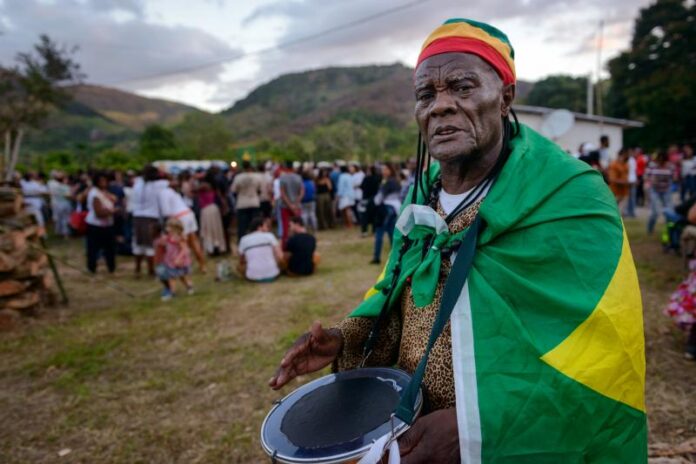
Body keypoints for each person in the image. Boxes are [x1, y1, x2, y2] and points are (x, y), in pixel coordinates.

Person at [269, 18, 646, 463]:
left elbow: (603, 355)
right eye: (426, 95)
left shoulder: (571, 195)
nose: (440, 106)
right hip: (410, 423)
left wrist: (475, 427)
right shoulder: (422, 190)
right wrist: (345, 338)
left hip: (506, 439)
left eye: (462, 87)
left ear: (506, 96)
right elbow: (400, 296)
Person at [158, 180, 206, 273]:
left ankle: (184, 265)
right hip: (188, 213)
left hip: (179, 217)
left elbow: (166, 212)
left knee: (181, 243)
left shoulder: (162, 193)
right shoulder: (171, 191)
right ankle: (202, 264)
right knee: (194, 240)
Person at [131, 165, 168, 276]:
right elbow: (170, 181)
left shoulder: (137, 183)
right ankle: (151, 270)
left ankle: (137, 269)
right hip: (151, 217)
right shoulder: (158, 185)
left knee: (139, 244)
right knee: (150, 245)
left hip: (137, 216)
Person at [154, 218, 193, 301]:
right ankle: (173, 292)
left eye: (168, 226)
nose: (166, 228)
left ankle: (189, 286)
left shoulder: (179, 238)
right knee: (171, 277)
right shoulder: (168, 237)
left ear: (174, 228)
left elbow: (184, 249)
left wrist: (179, 258)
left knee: (182, 276)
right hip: (170, 261)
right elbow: (163, 243)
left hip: (178, 261)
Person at [85, 172, 116, 274]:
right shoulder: (95, 193)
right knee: (93, 248)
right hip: (96, 224)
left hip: (107, 224)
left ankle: (111, 267)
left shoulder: (104, 192)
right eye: (102, 181)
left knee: (110, 248)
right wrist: (113, 211)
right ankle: (92, 268)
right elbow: (98, 213)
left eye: (105, 181)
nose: (104, 183)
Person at [370, 163, 401, 265]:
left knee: (380, 232)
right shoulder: (395, 181)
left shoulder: (388, 182)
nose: (383, 171)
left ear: (390, 170)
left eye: (385, 169)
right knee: (391, 233)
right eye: (382, 169)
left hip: (385, 210)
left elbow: (378, 199)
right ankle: (396, 257)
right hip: (394, 210)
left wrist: (375, 201)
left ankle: (377, 257)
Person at [238, 216, 282, 282]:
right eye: (266, 226)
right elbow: (280, 255)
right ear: (259, 227)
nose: (268, 228)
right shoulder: (269, 236)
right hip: (272, 274)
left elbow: (241, 259)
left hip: (252, 277)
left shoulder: (244, 239)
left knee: (239, 266)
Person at [231, 161, 262, 242]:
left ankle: (242, 242)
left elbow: (234, 190)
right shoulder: (257, 176)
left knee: (242, 226)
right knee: (255, 225)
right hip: (254, 202)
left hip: (242, 203)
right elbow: (259, 190)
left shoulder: (238, 177)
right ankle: (256, 241)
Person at [647, 151, 675, 234]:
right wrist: (651, 181)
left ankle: (670, 230)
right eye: (659, 160)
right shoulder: (652, 166)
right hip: (654, 191)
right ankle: (650, 229)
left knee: (669, 211)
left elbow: (675, 178)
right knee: (655, 212)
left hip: (666, 191)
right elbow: (647, 177)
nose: (661, 162)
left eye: (663, 160)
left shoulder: (670, 167)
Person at [198, 181, 228, 254]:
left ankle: (211, 248)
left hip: (207, 211)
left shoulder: (201, 193)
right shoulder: (213, 193)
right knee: (216, 229)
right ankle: (216, 246)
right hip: (213, 210)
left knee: (209, 229)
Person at [279, 162, 304, 248]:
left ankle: (285, 246)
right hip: (297, 206)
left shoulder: (282, 178)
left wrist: (290, 205)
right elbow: (301, 192)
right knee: (298, 225)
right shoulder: (298, 177)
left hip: (285, 206)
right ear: (293, 168)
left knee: (286, 227)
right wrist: (296, 203)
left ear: (285, 168)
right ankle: (300, 244)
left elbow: (283, 194)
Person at [47, 171, 72, 238]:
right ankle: (65, 233)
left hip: (58, 204)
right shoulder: (66, 187)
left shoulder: (56, 187)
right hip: (65, 204)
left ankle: (59, 232)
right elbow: (68, 196)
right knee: (65, 218)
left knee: (59, 218)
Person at [360, 165, 382, 237]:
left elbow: (362, 187)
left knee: (364, 216)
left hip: (365, 199)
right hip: (374, 199)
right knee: (374, 215)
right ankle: (374, 230)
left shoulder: (366, 178)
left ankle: (364, 231)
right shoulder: (377, 178)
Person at [624, 148, 638, 217]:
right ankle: (629, 212)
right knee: (629, 197)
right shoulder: (629, 160)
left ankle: (631, 212)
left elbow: (633, 171)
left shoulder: (631, 160)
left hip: (631, 180)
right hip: (629, 180)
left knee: (631, 197)